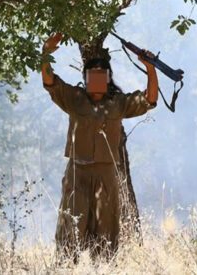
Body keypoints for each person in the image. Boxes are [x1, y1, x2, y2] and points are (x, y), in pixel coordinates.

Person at [41, 33, 157, 262]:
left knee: (106, 233)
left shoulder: (118, 103)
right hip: (77, 173)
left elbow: (149, 100)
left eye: (101, 76)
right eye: (91, 76)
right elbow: (49, 82)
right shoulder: (74, 98)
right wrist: (45, 54)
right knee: (70, 230)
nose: (96, 80)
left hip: (106, 175)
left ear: (107, 78)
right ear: (85, 78)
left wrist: (150, 69)